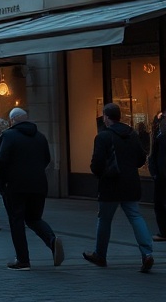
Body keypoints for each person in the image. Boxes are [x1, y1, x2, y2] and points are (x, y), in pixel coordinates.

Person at [83, 102, 155, 272]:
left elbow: (97, 163)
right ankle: (147, 253)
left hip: (110, 184)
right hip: (130, 182)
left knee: (104, 219)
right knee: (135, 216)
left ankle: (100, 255)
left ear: (106, 117)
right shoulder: (132, 134)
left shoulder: (103, 137)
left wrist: (100, 173)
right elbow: (141, 158)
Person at [0, 108, 63, 270]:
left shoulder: (9, 135)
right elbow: (47, 159)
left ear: (12, 120)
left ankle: (23, 260)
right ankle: (52, 241)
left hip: (16, 186)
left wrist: (3, 183)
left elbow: (1, 160)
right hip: (38, 184)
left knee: (16, 221)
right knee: (34, 218)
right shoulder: (40, 137)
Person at [150, 112, 166, 242]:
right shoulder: (160, 136)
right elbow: (154, 157)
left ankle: (164, 232)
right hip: (160, 177)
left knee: (160, 205)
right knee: (160, 205)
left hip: (161, 177)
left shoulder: (161, 137)